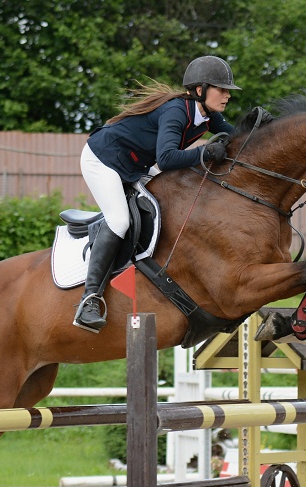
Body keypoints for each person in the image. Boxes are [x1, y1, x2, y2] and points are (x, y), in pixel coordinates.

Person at [74, 56, 239, 332]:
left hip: (135, 164)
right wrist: (204, 153)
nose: (227, 95)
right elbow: (166, 158)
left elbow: (236, 137)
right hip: (104, 159)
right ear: (200, 89)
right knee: (119, 221)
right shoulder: (177, 111)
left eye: (228, 90)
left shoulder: (208, 114)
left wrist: (261, 127)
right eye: (221, 89)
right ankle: (89, 300)